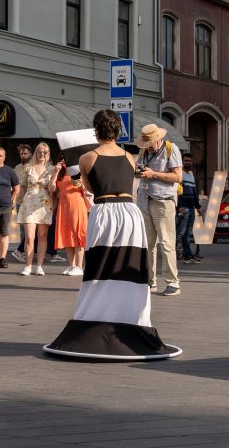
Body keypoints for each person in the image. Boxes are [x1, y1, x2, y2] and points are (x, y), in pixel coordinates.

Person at [44, 110, 181, 360]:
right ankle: (130, 321)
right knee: (130, 269)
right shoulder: (130, 157)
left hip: (105, 211)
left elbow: (87, 186)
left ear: (96, 131)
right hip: (130, 213)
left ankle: (96, 320)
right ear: (118, 131)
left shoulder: (88, 157)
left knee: (99, 267)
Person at [136, 124, 183, 296]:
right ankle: (150, 281)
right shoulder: (143, 152)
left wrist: (153, 174)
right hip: (144, 200)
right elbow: (138, 169)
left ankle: (173, 283)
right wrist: (137, 172)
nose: (147, 147)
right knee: (148, 244)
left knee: (166, 243)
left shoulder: (171, 149)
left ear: (158, 139)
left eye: (150, 143)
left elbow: (178, 177)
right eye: (145, 143)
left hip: (163, 201)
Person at [16, 142, 57, 275]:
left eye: (45, 152)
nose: (42, 154)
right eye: (40, 151)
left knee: (43, 236)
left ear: (48, 154)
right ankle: (28, 266)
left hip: (45, 204)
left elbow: (52, 189)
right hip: (29, 204)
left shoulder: (51, 169)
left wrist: (55, 174)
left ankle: (39, 266)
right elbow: (22, 186)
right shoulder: (28, 168)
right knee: (29, 236)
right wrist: (20, 201)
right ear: (36, 152)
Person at [53, 159, 90, 276]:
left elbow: (88, 189)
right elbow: (52, 189)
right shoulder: (60, 173)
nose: (64, 160)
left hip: (77, 205)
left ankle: (79, 267)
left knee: (78, 234)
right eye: (62, 157)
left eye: (66, 157)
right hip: (63, 207)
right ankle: (71, 265)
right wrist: (55, 172)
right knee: (66, 234)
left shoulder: (79, 171)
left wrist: (82, 185)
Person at [176, 152, 203, 264]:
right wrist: (178, 207)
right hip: (183, 208)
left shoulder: (191, 175)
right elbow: (175, 192)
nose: (188, 162)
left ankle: (188, 255)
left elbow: (195, 193)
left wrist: (198, 207)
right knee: (181, 233)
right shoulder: (179, 174)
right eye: (186, 160)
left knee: (187, 233)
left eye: (189, 161)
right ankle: (181, 254)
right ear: (182, 162)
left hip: (191, 208)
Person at [10, 143, 32, 263]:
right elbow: (13, 185)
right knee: (24, 229)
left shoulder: (33, 166)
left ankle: (25, 251)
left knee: (33, 229)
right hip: (20, 202)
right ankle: (21, 252)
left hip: (33, 202)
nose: (23, 155)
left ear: (30, 154)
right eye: (21, 153)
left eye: (25, 153)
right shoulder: (17, 168)